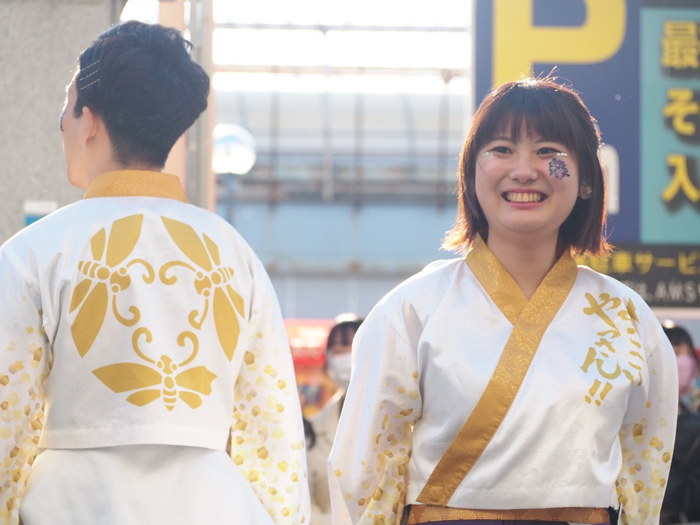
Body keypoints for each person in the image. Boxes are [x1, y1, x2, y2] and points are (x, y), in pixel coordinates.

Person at [328, 78, 678, 525]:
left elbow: (644, 468)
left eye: (550, 151)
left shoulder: (628, 318)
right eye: (502, 149)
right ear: (471, 173)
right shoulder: (413, 309)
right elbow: (365, 471)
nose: (525, 170)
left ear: (587, 178)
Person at [0, 21, 309, 525]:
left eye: (66, 106)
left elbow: (6, 425)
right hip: (215, 508)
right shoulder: (235, 256)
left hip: (73, 508)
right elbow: (273, 437)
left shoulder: (33, 254)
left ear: (90, 120)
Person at [308, 315, 363, 524]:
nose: (340, 352)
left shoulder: (404, 421)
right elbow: (304, 500)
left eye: (349, 344)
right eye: (335, 347)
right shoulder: (311, 430)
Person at [661, 323, 700, 524]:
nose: (683, 362)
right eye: (676, 352)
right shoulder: (630, 418)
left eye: (688, 354)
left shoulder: (695, 425)